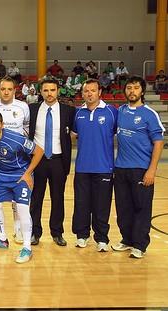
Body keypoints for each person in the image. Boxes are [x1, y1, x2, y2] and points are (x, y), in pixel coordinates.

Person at [113, 76, 165, 259]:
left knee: (141, 208)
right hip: (120, 169)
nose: (132, 91)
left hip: (141, 169)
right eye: (129, 88)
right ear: (125, 91)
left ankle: (140, 245)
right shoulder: (120, 111)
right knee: (123, 207)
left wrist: (151, 170)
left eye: (136, 88)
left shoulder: (150, 114)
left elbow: (158, 143)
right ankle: (127, 239)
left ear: (142, 91)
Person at [0, 109, 44, 263]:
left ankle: (27, 248)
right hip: (2, 176)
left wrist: (28, 173)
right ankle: (2, 239)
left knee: (23, 210)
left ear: (2, 125)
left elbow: (39, 151)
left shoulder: (16, 139)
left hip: (20, 176)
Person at [28, 78, 75, 247]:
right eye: (46, 90)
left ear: (58, 91)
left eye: (52, 90)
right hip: (37, 161)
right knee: (36, 198)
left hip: (58, 160)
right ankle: (34, 232)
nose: (49, 93)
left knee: (58, 198)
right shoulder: (32, 109)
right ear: (41, 92)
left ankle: (57, 232)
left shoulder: (68, 111)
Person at [72, 78, 117, 251]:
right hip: (82, 168)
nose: (89, 94)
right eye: (86, 91)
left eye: (93, 90)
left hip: (104, 168)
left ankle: (102, 239)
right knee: (82, 204)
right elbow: (73, 134)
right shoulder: (78, 113)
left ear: (99, 92)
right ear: (82, 93)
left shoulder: (111, 112)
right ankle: (82, 236)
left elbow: (115, 132)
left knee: (102, 205)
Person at [0, 76, 30, 244]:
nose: (6, 92)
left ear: (14, 90)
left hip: (16, 158)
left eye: (9, 89)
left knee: (17, 197)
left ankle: (18, 229)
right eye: (3, 89)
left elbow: (26, 127)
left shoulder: (23, 106)